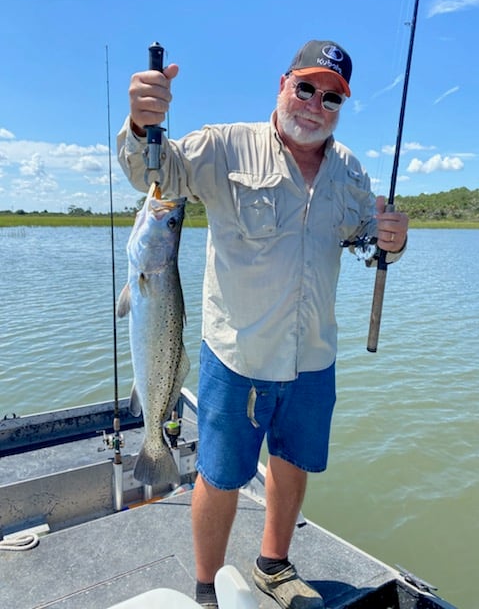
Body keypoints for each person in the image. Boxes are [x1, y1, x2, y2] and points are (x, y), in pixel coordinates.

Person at [117, 39, 408, 609]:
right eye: (306, 88)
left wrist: (393, 243)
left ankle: (274, 564)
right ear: (283, 84)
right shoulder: (224, 146)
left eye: (331, 98)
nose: (315, 104)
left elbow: (369, 239)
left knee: (293, 461)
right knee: (221, 475)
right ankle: (206, 586)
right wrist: (140, 122)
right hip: (238, 355)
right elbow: (153, 175)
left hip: (313, 356)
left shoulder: (350, 170)